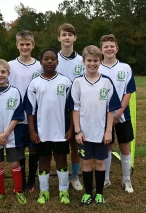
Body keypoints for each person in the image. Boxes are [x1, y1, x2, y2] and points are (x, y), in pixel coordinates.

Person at [71, 45, 121, 205]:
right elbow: (75, 108)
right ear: (84, 62)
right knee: (86, 163)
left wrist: (108, 132)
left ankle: (99, 193)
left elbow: (110, 110)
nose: (92, 64)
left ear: (100, 62)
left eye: (95, 61)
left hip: (101, 133)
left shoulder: (106, 82)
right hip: (84, 132)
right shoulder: (78, 82)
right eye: (89, 61)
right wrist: (77, 131)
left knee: (100, 163)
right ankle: (87, 193)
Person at [25, 49, 73, 204]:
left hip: (61, 131)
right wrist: (32, 131)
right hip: (42, 132)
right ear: (41, 62)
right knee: (44, 159)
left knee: (61, 159)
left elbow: (72, 108)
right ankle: (44, 192)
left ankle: (63, 191)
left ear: (57, 62)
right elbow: (30, 111)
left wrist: (71, 128)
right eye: (46, 58)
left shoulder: (65, 82)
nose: (50, 61)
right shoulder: (34, 83)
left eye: (53, 59)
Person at [0, 59, 27, 206]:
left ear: (8, 73)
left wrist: (6, 134)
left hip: (11, 135)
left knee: (15, 163)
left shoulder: (14, 92)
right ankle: (0, 192)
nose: (0, 75)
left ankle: (18, 191)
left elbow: (17, 116)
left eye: (3, 72)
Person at [98, 34, 137, 193]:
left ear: (117, 49)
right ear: (101, 50)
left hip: (122, 116)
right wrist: (108, 115)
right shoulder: (97, 67)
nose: (109, 49)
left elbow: (128, 92)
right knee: (106, 146)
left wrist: (117, 113)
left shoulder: (125, 68)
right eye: (106, 46)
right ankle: (106, 179)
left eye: (111, 46)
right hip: (102, 116)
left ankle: (126, 180)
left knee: (124, 147)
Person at [8, 30, 42, 193]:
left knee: (34, 149)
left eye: (28, 44)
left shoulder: (40, 66)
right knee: (19, 149)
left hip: (35, 116)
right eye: (22, 44)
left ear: (33, 45)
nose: (25, 47)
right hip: (16, 116)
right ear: (17, 46)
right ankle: (20, 180)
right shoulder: (10, 66)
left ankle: (31, 181)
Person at [56, 23, 85, 191]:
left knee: (75, 143)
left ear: (75, 38)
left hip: (76, 109)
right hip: (56, 109)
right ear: (59, 37)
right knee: (58, 145)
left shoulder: (82, 60)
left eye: (70, 34)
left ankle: (74, 177)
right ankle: (62, 177)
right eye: (64, 34)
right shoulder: (52, 59)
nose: (67, 37)